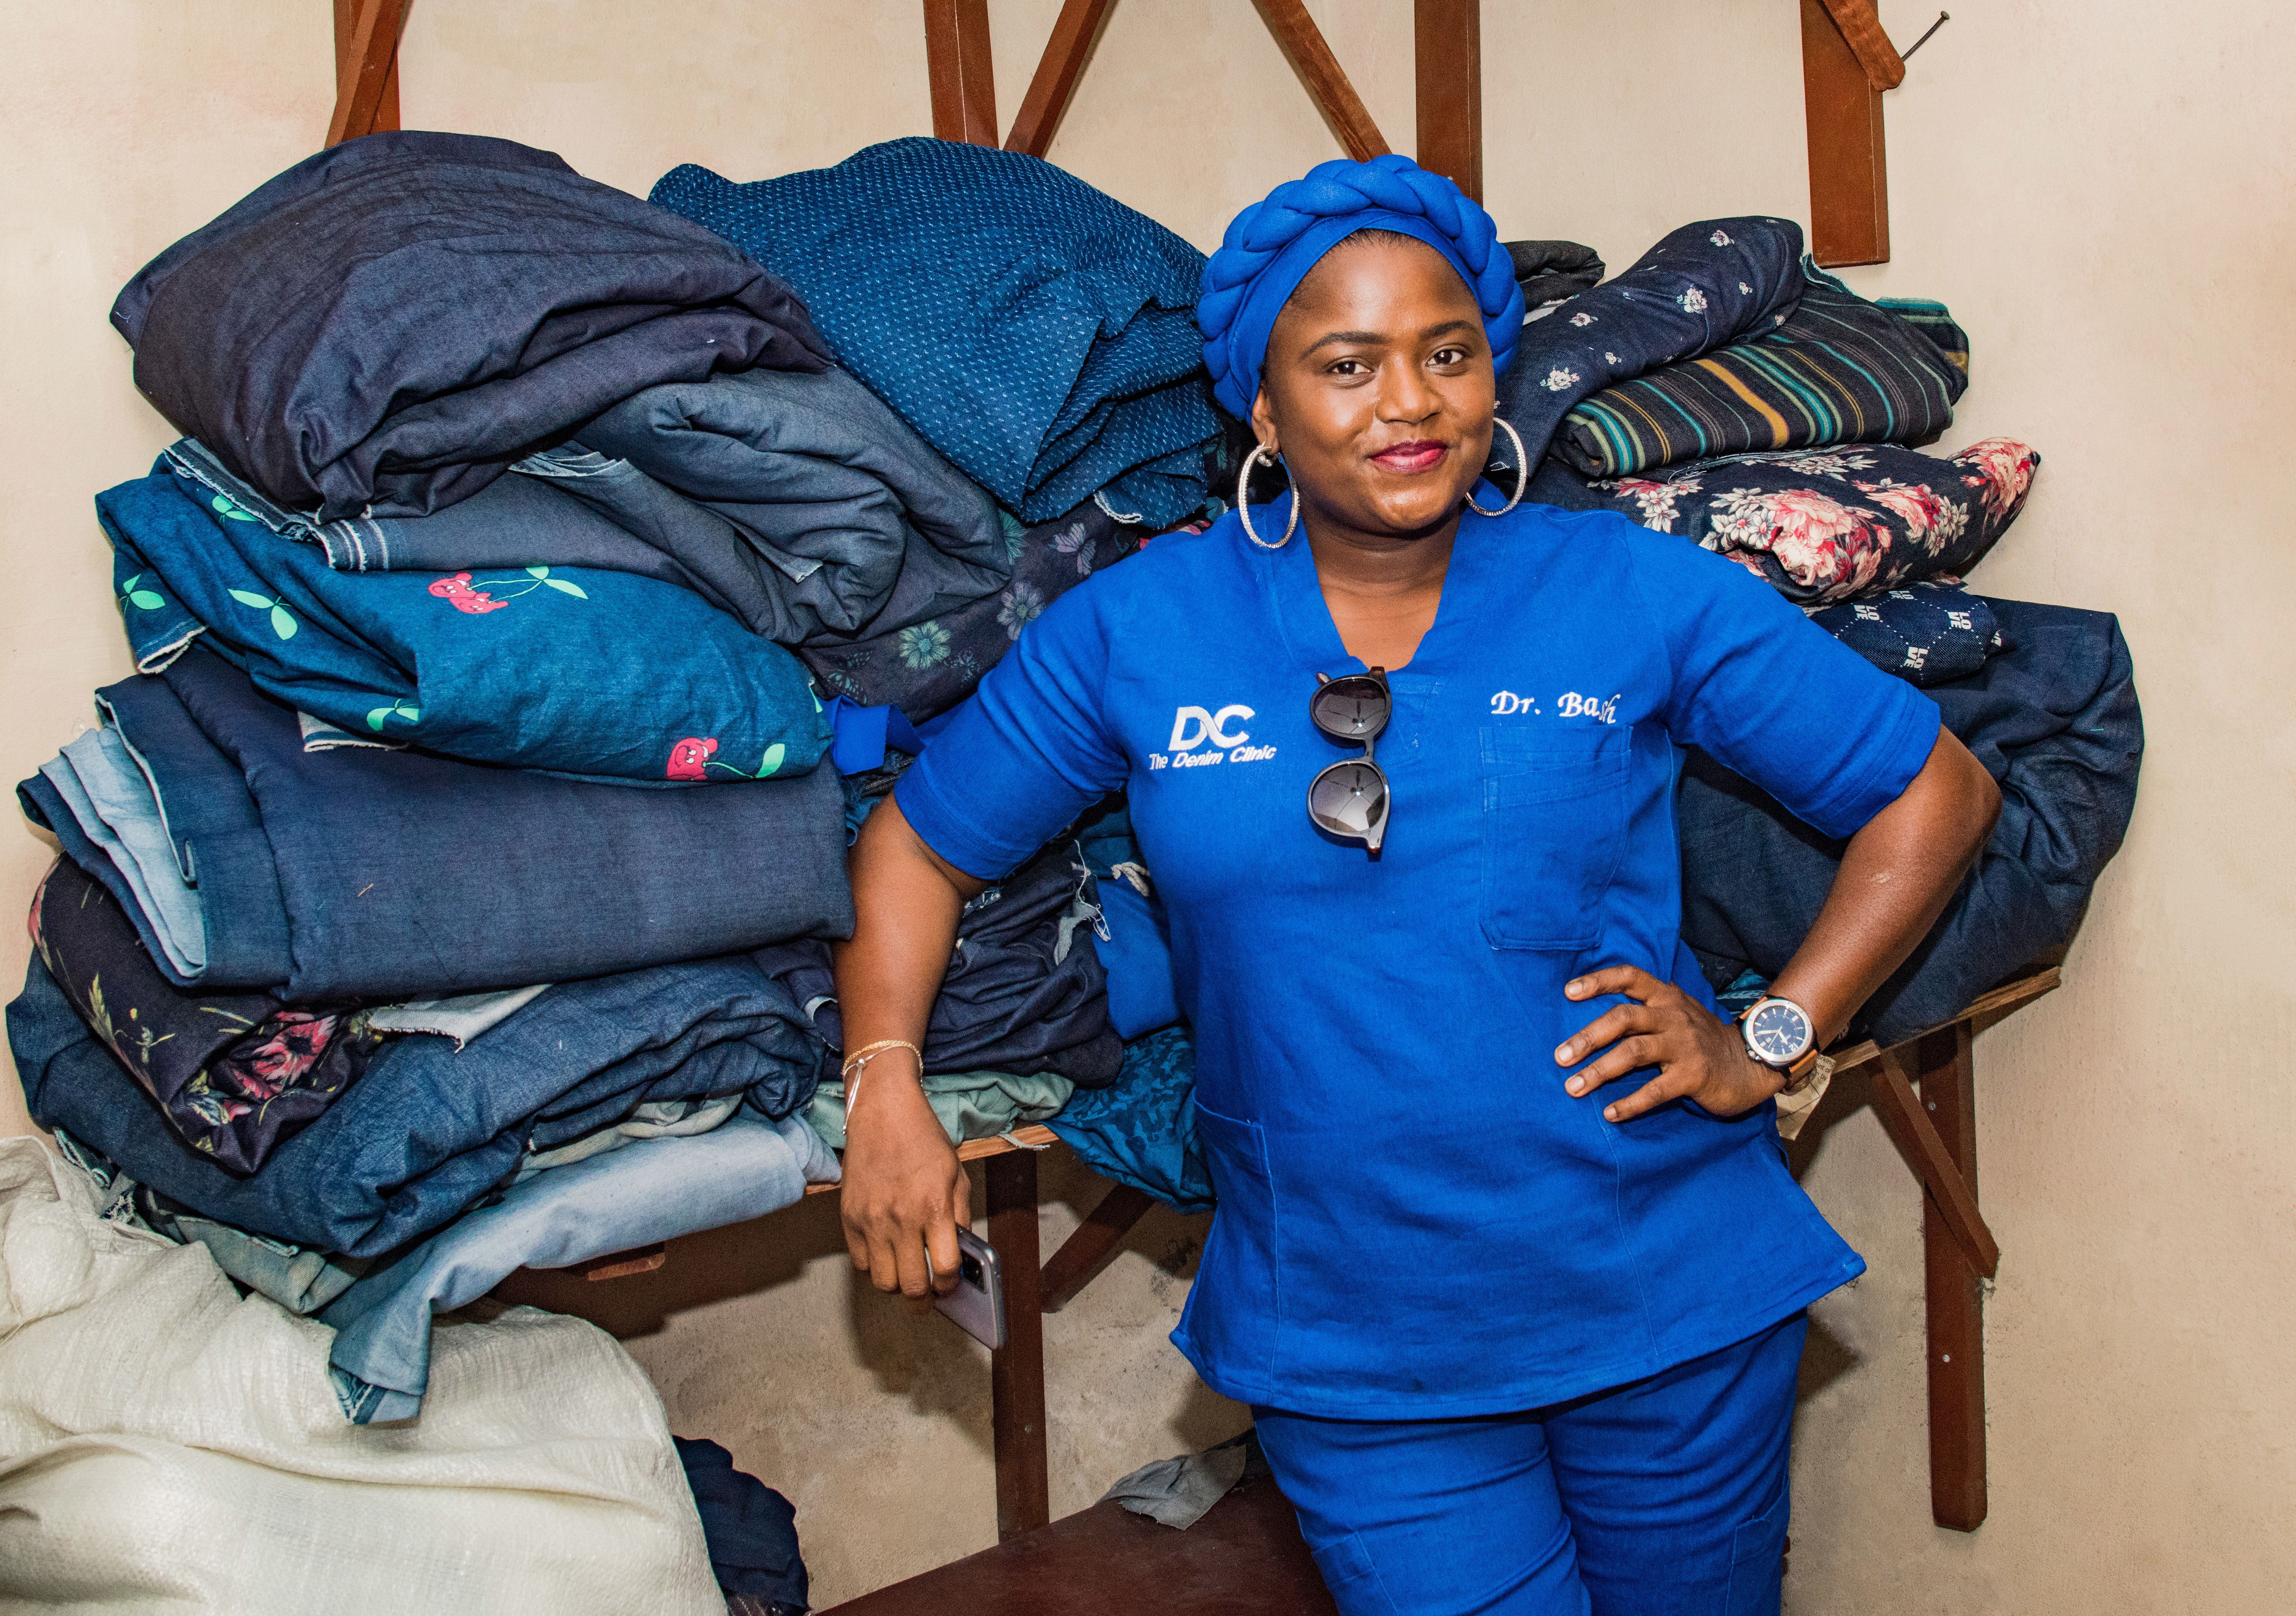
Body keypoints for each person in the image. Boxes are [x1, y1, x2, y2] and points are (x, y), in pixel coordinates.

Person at [832, 155, 1999, 1616]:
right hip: (1351, 1332)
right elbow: (921, 844)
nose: (1411, 401)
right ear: (1262, 407)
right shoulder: (1145, 629)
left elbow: (1934, 789)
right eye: (1348, 363)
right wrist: (886, 1081)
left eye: (1449, 354)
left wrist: (1770, 1035)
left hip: (1665, 1286)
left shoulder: (1627, 588)